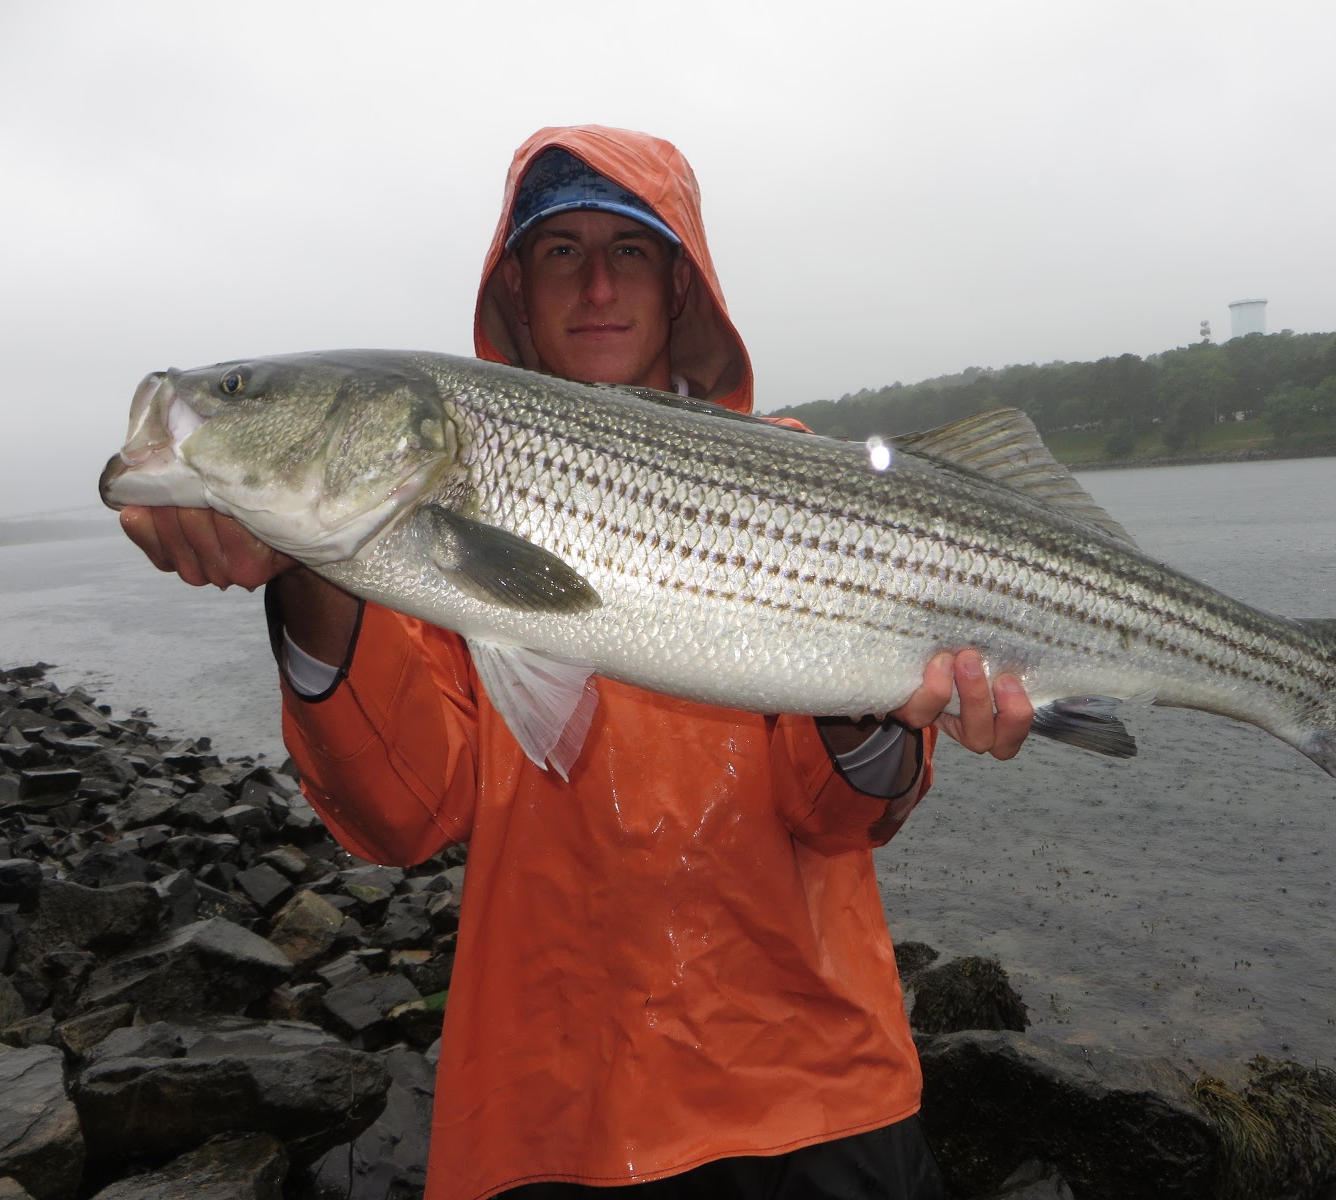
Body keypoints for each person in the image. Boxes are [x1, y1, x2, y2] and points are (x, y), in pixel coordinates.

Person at [121, 125, 1034, 1200]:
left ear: (683, 286)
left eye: (630, 250)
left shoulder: (799, 474)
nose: (596, 283)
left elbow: (840, 819)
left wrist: (881, 714)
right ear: (515, 286)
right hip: (550, 1110)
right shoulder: (409, 546)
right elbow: (404, 816)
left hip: (810, 1090)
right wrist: (304, 573)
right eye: (560, 252)